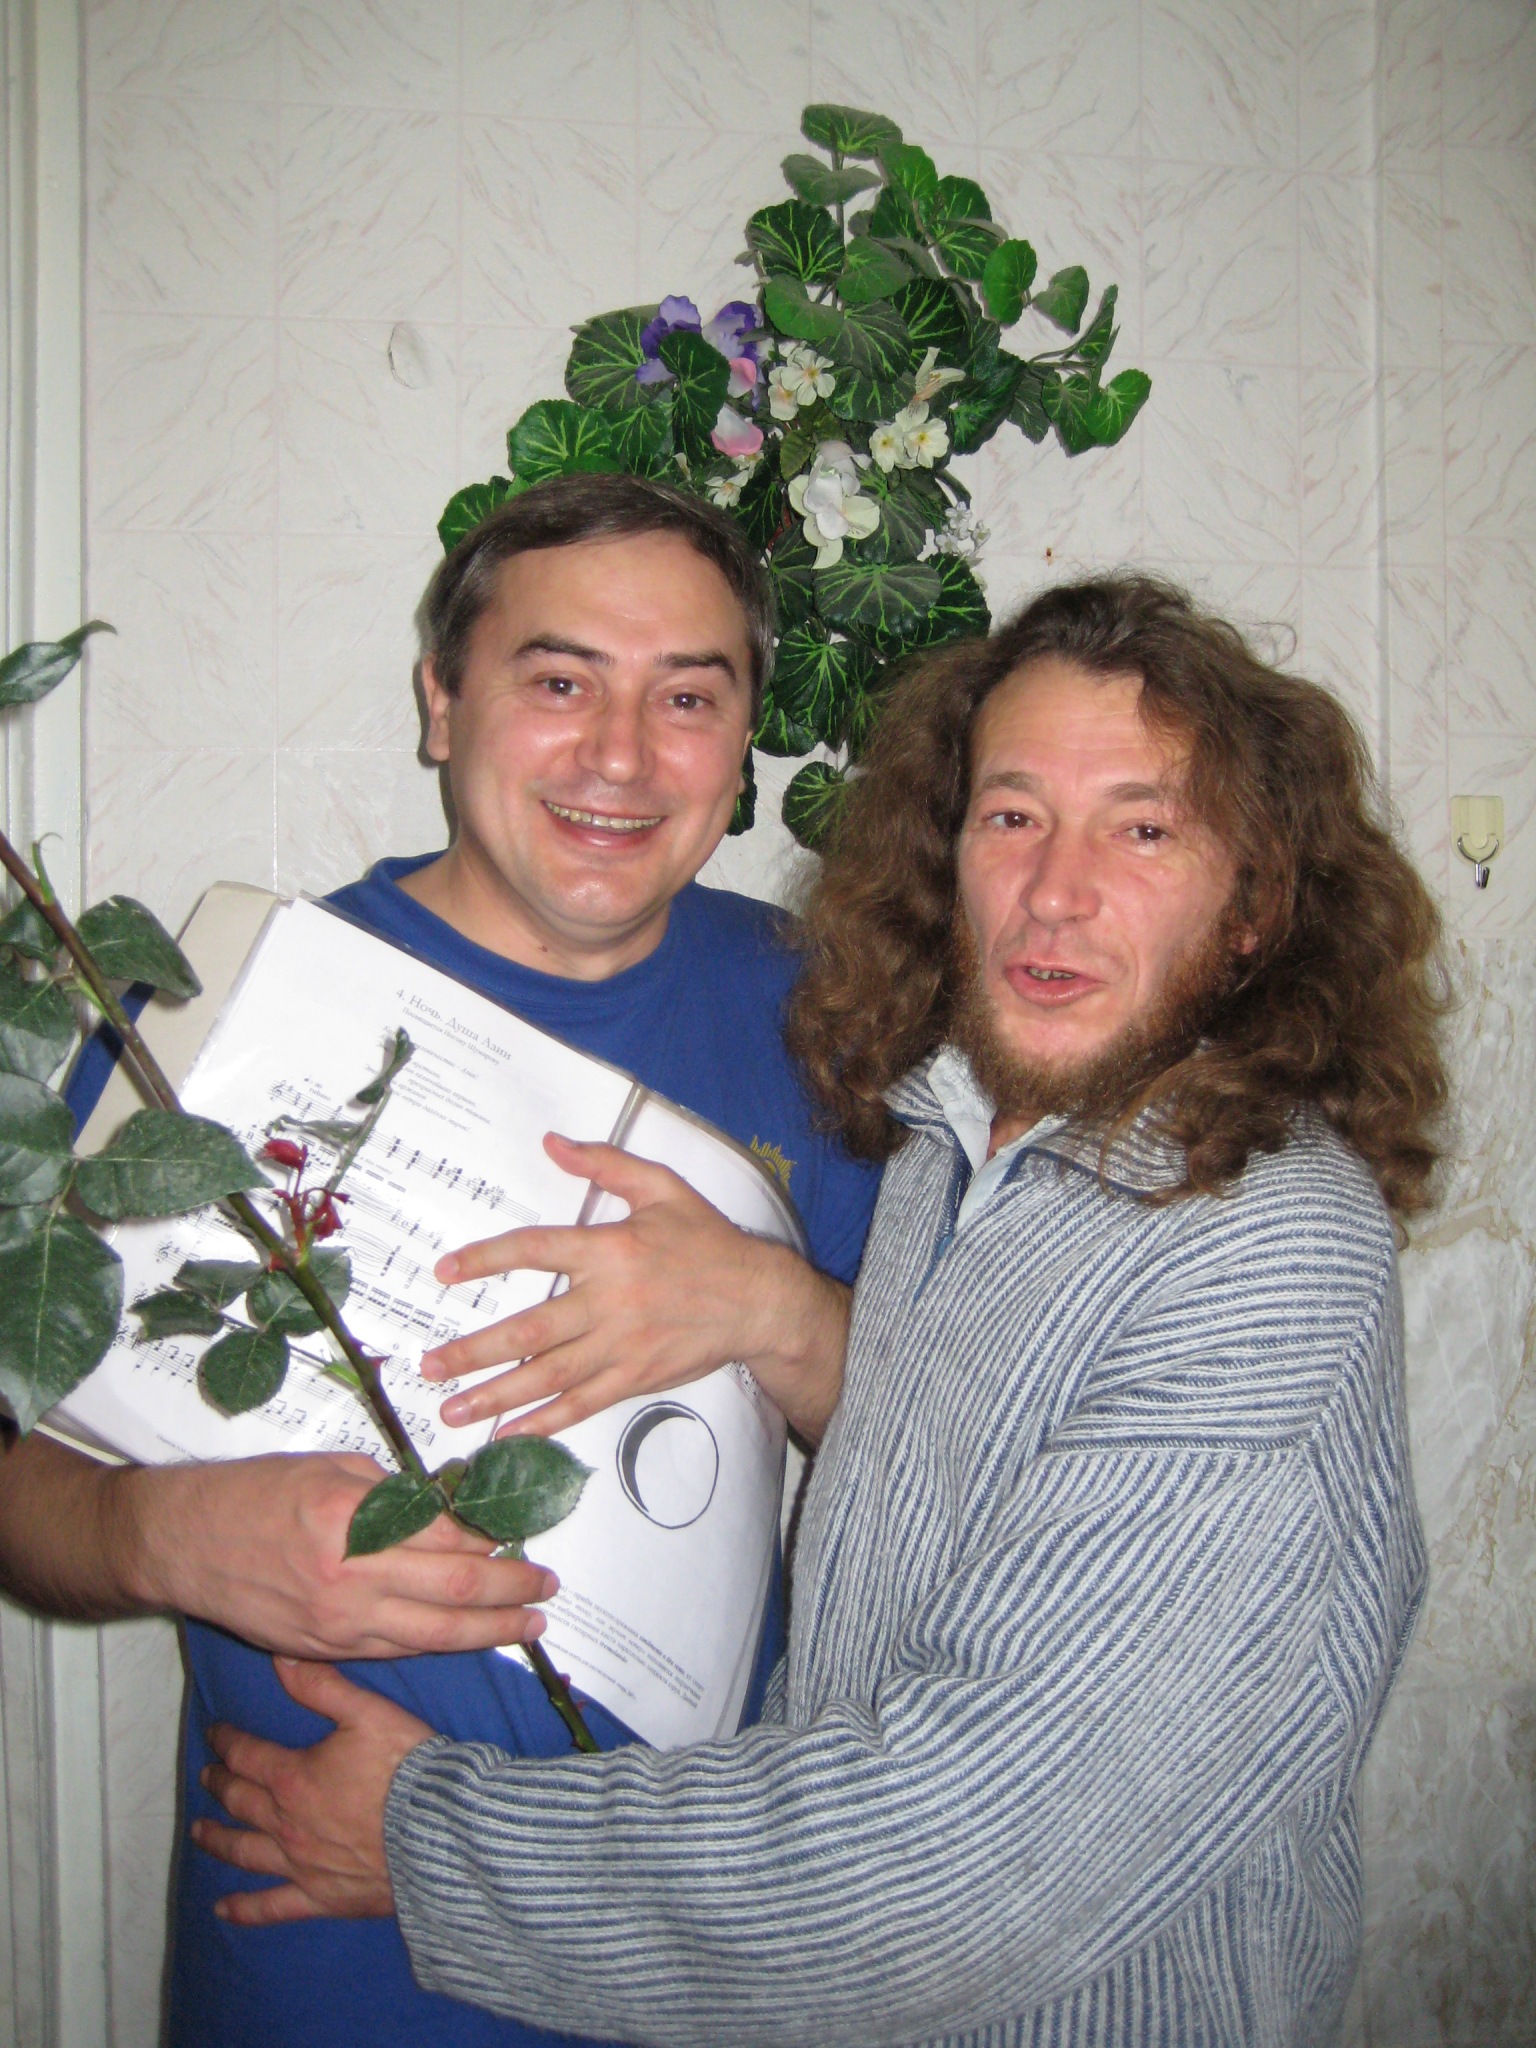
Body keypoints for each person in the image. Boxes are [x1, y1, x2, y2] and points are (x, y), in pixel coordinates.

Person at [193, 573, 1446, 2047]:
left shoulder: (1264, 1251)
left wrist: (425, 1842)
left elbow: (962, 1866)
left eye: (1144, 828)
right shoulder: (952, 1156)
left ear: (1256, 909)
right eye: (1013, 815)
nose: (1056, 889)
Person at [0, 474, 880, 2048]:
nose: (622, 757)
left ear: (743, 738)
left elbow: (959, 1460)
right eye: (560, 682)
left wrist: (781, 1311)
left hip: (694, 1947)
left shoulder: (833, 1019)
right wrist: (158, 1536)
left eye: (688, 696)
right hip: (320, 1965)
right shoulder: (206, 1029)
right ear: (441, 702)